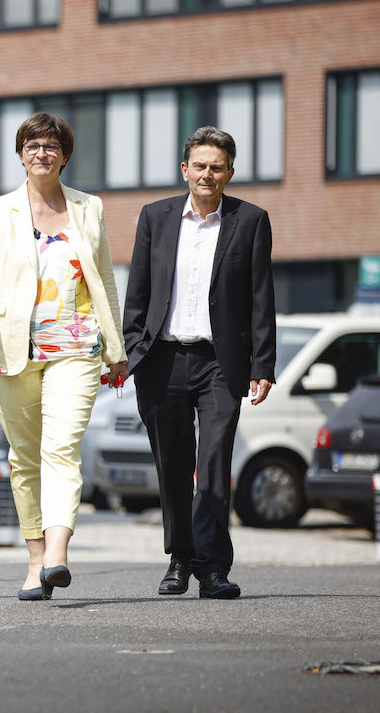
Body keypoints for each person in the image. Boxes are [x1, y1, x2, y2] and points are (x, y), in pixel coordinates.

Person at [0, 112, 128, 601]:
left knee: (61, 448)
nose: (42, 153)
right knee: (24, 458)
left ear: (65, 154)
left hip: (76, 347)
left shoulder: (88, 207)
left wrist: (115, 348)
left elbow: (104, 280)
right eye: (32, 146)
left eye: (51, 146)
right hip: (13, 353)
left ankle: (57, 553)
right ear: (20, 154)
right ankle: (35, 561)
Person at [122, 126, 276, 600]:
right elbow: (139, 292)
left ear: (230, 172)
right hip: (162, 360)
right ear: (184, 169)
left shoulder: (250, 220)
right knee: (171, 465)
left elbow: (260, 297)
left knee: (212, 463)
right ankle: (179, 558)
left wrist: (263, 365)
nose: (207, 174)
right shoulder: (155, 217)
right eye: (199, 165)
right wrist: (130, 354)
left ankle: (212, 567)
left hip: (219, 363)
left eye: (217, 166)